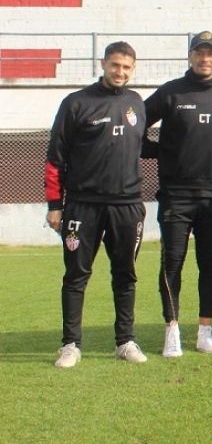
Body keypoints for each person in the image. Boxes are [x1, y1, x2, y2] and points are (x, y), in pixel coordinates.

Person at [143, 30, 212, 358]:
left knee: (209, 264)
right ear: (190, 56)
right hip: (176, 197)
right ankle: (171, 330)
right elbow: (136, 127)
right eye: (199, 53)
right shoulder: (171, 92)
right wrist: (163, 151)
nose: (205, 58)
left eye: (211, 53)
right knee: (172, 263)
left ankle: (205, 330)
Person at [46, 41, 148, 367]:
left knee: (125, 275)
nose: (120, 72)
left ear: (133, 69)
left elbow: (144, 147)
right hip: (82, 205)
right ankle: (71, 344)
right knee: (76, 276)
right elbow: (55, 158)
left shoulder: (136, 103)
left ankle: (125, 341)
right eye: (115, 65)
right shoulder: (77, 103)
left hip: (127, 205)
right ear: (103, 63)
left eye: (126, 67)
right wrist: (54, 204)